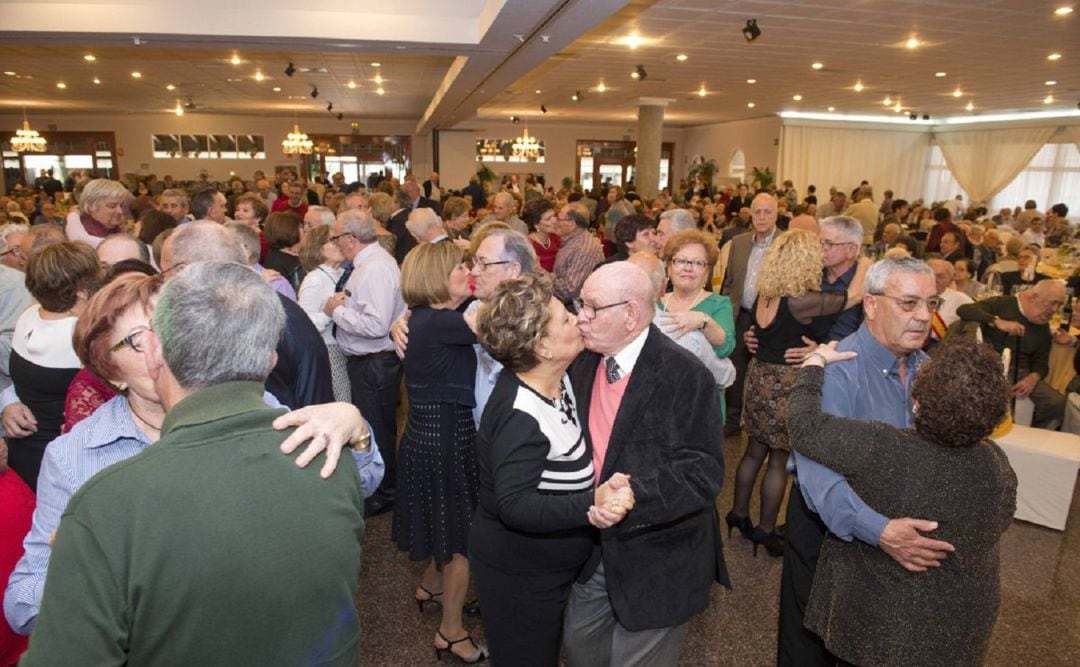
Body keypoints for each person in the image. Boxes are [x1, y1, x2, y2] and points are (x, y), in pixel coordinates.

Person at [18, 262, 371, 665]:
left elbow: (348, 491)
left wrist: (354, 427)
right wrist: (88, 564)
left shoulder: (271, 410)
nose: (167, 342)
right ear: (111, 371)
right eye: (140, 338)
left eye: (169, 326)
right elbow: (24, 605)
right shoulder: (76, 461)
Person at [788, 336, 1017, 667]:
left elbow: (804, 426)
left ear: (917, 403)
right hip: (960, 627)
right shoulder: (996, 463)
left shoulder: (883, 448)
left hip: (878, 627)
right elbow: (1002, 517)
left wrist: (813, 364)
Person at [778, 256, 958, 667]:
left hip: (892, 535)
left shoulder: (926, 367)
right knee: (815, 648)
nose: (923, 317)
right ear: (872, 305)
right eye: (909, 303)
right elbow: (819, 476)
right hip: (830, 531)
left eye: (931, 304)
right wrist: (879, 531)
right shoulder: (837, 369)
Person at [563, 262, 728, 666]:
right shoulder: (584, 361)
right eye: (580, 304)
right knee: (580, 649)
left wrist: (634, 493)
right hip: (594, 550)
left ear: (631, 314)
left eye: (592, 307)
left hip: (657, 556)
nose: (580, 316)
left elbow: (702, 471)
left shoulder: (684, 375)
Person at [471, 273, 634, 666]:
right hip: (520, 575)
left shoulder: (559, 380)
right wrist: (591, 501)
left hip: (552, 568)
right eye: (565, 319)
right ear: (542, 346)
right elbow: (515, 505)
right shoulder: (519, 416)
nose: (578, 320)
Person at [730, 231, 867, 557]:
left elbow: (760, 332)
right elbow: (854, 296)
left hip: (760, 379)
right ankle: (765, 530)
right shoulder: (802, 300)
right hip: (786, 384)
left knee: (752, 453)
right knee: (778, 461)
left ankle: (737, 514)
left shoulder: (767, 293)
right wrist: (863, 263)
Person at [392, 242, 485, 662]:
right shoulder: (444, 323)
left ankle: (430, 586)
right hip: (446, 438)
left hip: (427, 436)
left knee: (442, 521)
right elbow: (508, 327)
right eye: (460, 268)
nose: (468, 271)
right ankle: (451, 631)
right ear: (436, 278)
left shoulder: (426, 320)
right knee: (462, 538)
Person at [326, 208, 408, 514]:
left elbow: (375, 327)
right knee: (378, 425)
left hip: (375, 361)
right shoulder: (369, 264)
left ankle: (385, 493)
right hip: (371, 361)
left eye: (335, 237)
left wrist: (335, 311)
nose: (333, 243)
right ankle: (385, 488)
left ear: (350, 239)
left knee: (378, 428)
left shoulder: (374, 268)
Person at [4, 242, 100, 491]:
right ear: (81, 289)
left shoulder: (29, 315)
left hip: (23, 449)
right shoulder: (80, 335)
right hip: (65, 461)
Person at [956, 279, 1067, 430]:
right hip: (992, 366)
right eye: (1052, 303)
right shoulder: (1003, 304)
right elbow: (964, 310)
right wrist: (996, 321)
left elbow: (1041, 363)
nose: (1055, 309)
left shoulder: (1043, 326)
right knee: (1005, 410)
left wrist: (1034, 377)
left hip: (1022, 373)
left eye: (1059, 305)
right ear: (1033, 297)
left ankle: (1035, 436)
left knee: (1057, 404)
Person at [656, 230, 735, 420]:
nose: (688, 268)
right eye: (681, 261)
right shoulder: (655, 302)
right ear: (669, 267)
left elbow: (725, 347)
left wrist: (703, 320)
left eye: (698, 263)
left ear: (707, 272)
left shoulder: (718, 304)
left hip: (700, 405)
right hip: (658, 402)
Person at [720, 192, 779, 435]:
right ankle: (733, 420)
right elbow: (729, 282)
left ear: (776, 215)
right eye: (758, 211)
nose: (762, 217)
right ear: (750, 214)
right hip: (741, 315)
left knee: (770, 370)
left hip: (774, 318)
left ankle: (766, 423)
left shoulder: (785, 244)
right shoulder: (739, 243)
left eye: (768, 212)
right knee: (736, 368)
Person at [296, 225, 350, 402]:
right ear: (318, 248)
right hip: (328, 351)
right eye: (333, 240)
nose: (339, 243)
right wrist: (327, 313)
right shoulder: (314, 280)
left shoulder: (342, 274)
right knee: (340, 402)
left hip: (345, 348)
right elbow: (303, 327)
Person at [552, 201, 604, 304]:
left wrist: (543, 276)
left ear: (571, 224)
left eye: (558, 219)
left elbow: (568, 291)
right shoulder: (573, 240)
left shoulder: (582, 249)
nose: (555, 221)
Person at [64, 179, 132, 248]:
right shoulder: (86, 233)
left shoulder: (114, 227)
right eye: (112, 206)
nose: (120, 211)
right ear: (91, 206)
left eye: (122, 205)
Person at [263, 210, 304, 291]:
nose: (305, 230)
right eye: (300, 226)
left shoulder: (277, 254)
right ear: (290, 231)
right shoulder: (278, 262)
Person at [522, 197, 561, 273]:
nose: (555, 220)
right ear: (536, 225)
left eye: (554, 215)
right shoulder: (528, 245)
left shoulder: (556, 238)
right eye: (548, 219)